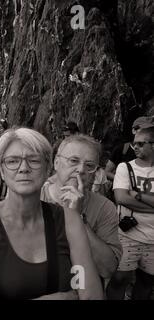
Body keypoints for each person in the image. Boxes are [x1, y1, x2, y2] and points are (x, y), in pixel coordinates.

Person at [0, 128, 103, 300]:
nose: (24, 168)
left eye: (34, 160)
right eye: (13, 161)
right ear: (1, 169)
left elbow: (90, 294)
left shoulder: (69, 220)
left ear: (48, 168)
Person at [40, 134, 122, 281]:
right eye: (73, 161)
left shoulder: (105, 208)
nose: (81, 170)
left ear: (95, 174)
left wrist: (77, 218)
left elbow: (108, 269)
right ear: (56, 162)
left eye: (89, 165)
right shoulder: (33, 198)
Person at [107, 126, 154, 300]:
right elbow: (122, 198)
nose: (135, 147)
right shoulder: (124, 168)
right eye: (135, 144)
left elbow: (129, 197)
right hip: (128, 234)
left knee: (147, 282)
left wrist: (137, 195)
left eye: (141, 144)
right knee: (119, 279)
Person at [104, 116, 154, 182]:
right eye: (144, 129)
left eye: (150, 130)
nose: (147, 132)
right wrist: (125, 181)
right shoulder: (122, 149)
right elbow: (107, 172)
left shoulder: (151, 151)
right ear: (134, 130)